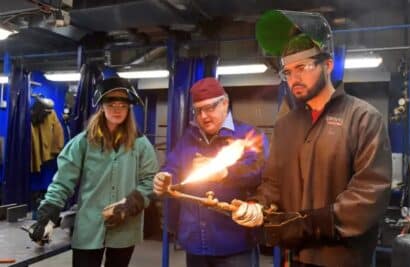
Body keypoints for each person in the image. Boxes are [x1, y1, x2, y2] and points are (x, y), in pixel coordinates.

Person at [231, 10, 392, 267]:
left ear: (327, 65)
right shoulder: (286, 125)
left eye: (302, 68)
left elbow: (369, 195)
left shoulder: (362, 118)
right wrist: (257, 207)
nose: (294, 79)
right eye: (288, 72)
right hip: (295, 257)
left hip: (344, 259)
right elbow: (273, 183)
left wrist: (309, 224)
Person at [29, 77, 158, 267]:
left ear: (129, 108)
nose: (116, 109)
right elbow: (63, 181)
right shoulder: (83, 142)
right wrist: (48, 213)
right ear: (101, 106)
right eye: (111, 104)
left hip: (126, 226)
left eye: (122, 105)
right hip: (90, 226)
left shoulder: (141, 144)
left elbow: (150, 181)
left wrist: (129, 205)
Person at [153, 77, 268, 267]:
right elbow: (171, 167)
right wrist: (163, 177)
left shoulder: (249, 136)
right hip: (195, 243)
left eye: (210, 108)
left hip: (234, 242)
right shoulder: (188, 139)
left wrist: (226, 173)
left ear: (225, 103)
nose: (204, 116)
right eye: (198, 110)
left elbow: (261, 172)